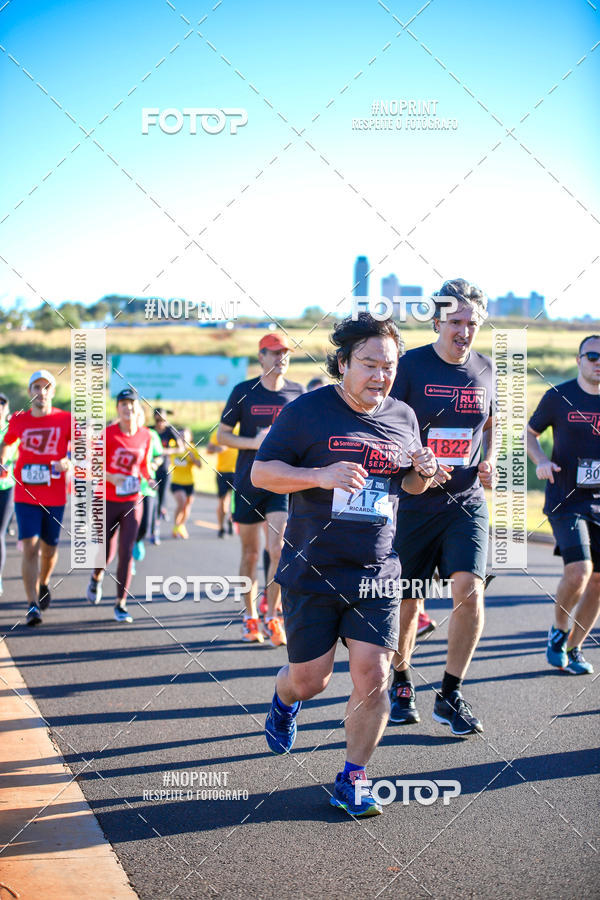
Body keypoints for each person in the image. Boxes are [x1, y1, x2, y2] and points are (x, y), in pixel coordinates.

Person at [252, 313, 438, 817]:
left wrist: (424, 472)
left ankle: (352, 778)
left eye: (389, 366)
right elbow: (262, 472)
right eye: (369, 363)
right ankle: (285, 700)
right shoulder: (306, 412)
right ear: (342, 364)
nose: (380, 374)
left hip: (377, 571)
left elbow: (410, 487)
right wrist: (320, 474)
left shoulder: (403, 416)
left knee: (374, 675)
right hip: (313, 568)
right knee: (312, 680)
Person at [389, 278, 496, 735]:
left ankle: (450, 694)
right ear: (437, 321)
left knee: (470, 589)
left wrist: (488, 459)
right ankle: (401, 681)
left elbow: (490, 423)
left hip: (466, 500)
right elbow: (385, 425)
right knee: (408, 602)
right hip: (413, 501)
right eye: (455, 321)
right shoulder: (409, 366)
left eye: (472, 322)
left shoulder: (487, 369)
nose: (464, 330)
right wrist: (418, 459)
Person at [217, 333, 304, 646]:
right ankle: (250, 616)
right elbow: (223, 436)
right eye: (275, 353)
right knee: (251, 554)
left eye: (286, 354)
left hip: (279, 482)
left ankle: (273, 615)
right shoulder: (244, 391)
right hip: (248, 482)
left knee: (278, 550)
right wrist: (253, 443)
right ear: (261, 357)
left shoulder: (297, 392)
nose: (282, 359)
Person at [527, 334, 600, 675]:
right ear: (579, 360)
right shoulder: (560, 397)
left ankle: (575, 648)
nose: (598, 362)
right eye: (592, 355)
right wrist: (540, 459)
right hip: (566, 498)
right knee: (580, 571)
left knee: (598, 581)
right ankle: (558, 632)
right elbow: (530, 434)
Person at [0, 370, 71, 626]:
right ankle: (31, 604)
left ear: (53, 391)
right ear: (30, 392)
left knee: (50, 549)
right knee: (30, 547)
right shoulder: (19, 419)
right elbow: (7, 442)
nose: (41, 393)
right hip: (25, 493)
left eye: (46, 388)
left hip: (54, 495)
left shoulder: (66, 419)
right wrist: (4, 458)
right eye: (36, 388)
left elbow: (82, 447)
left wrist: (68, 461)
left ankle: (43, 581)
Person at [86, 389, 151, 623]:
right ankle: (96, 577)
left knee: (126, 551)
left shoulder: (146, 435)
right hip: (106, 498)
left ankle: (120, 604)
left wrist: (149, 476)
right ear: (117, 408)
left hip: (132, 500)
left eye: (131, 404)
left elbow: (143, 465)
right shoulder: (106, 434)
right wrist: (111, 477)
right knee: (105, 551)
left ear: (137, 408)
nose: (128, 408)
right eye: (123, 404)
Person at [134, 407, 163, 562]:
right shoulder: (124, 434)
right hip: (128, 488)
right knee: (129, 525)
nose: (136, 417)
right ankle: (127, 557)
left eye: (139, 415)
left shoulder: (151, 435)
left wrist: (154, 465)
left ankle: (138, 540)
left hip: (147, 485)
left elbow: (159, 456)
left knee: (144, 526)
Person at [150, 407, 183, 544]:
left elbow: (181, 448)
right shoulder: (149, 431)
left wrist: (165, 451)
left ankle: (156, 529)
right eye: (157, 420)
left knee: (160, 499)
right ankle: (153, 526)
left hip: (164, 470)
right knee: (151, 500)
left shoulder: (170, 430)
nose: (160, 423)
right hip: (151, 470)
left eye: (163, 420)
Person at [170, 427, 202, 539]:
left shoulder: (192, 449)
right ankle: (176, 525)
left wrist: (191, 456)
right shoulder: (173, 447)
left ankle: (181, 526)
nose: (183, 437)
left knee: (187, 507)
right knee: (181, 502)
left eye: (185, 435)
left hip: (189, 482)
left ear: (190, 437)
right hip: (176, 481)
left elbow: (199, 465)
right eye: (180, 435)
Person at [0, 392, 17, 596]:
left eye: (2, 403)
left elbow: (17, 456)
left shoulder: (12, 429)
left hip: (5, 487)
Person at [206, 427, 237, 538]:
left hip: (239, 472)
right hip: (223, 472)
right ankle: (221, 527)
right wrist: (218, 448)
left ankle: (231, 520)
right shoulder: (219, 432)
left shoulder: (243, 429)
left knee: (237, 503)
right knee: (223, 503)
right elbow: (209, 449)